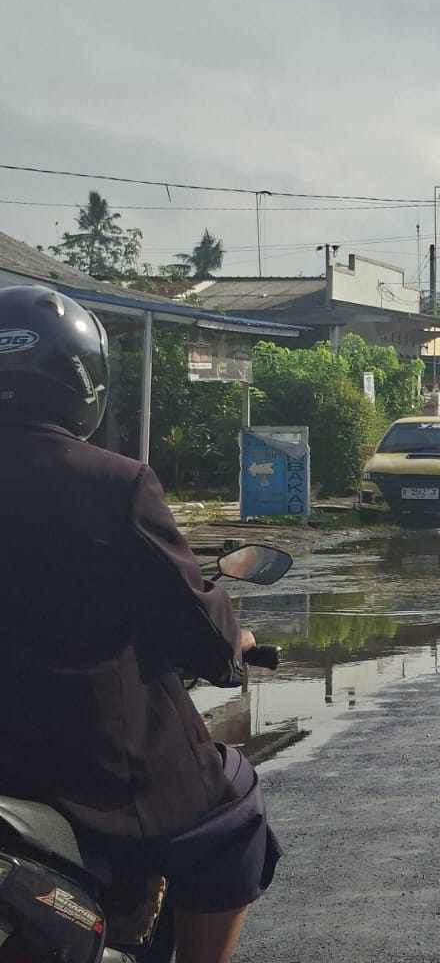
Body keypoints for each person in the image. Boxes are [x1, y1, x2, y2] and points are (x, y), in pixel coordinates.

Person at [0, 285, 279, 963]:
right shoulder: (113, 482)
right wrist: (231, 641)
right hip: (93, 763)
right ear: (83, 382)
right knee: (234, 816)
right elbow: (193, 617)